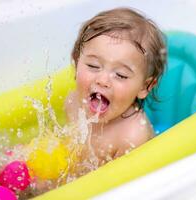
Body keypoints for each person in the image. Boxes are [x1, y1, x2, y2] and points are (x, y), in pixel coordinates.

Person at [64, 7, 166, 167]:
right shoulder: (73, 101)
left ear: (144, 87)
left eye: (120, 75)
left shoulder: (132, 136)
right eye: (93, 65)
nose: (103, 80)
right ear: (76, 63)